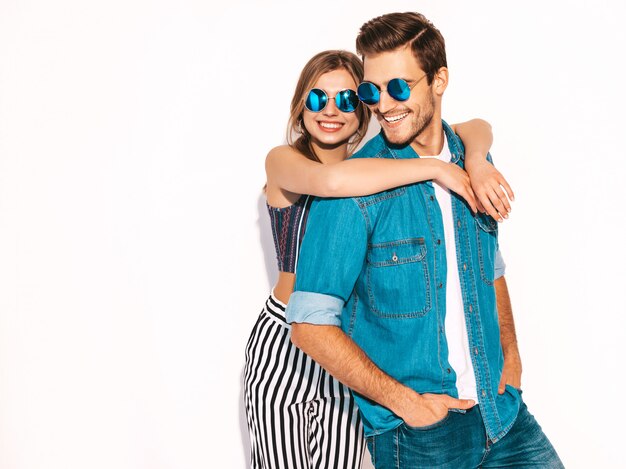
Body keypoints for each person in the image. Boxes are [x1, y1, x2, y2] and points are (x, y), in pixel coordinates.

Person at [285, 13, 563, 469]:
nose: (383, 105)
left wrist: (510, 361)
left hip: (503, 415)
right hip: (420, 437)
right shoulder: (352, 189)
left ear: (439, 80)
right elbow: (310, 323)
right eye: (371, 91)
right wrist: (406, 405)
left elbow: (490, 268)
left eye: (398, 88)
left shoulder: (474, 163)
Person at [245, 49, 513, 469]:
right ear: (300, 107)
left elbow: (475, 127)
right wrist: (436, 169)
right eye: (317, 99)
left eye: (350, 99)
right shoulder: (284, 162)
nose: (331, 111)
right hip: (287, 341)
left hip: (350, 345)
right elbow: (331, 181)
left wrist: (474, 160)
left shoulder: (374, 165)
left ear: (365, 108)